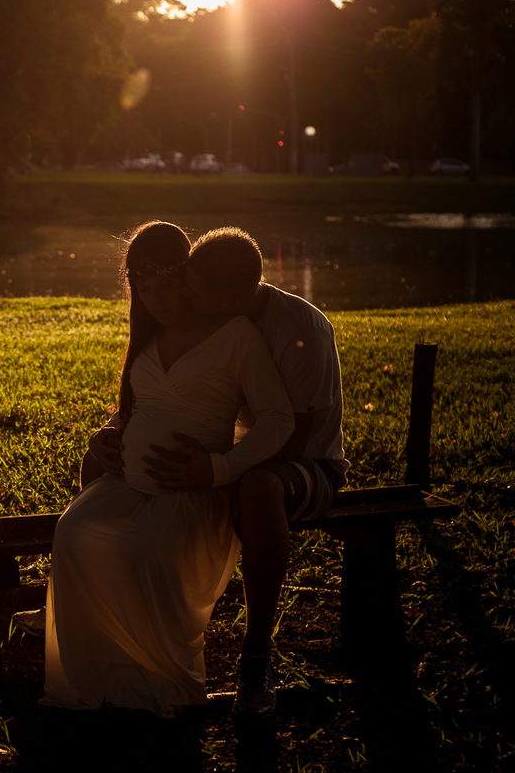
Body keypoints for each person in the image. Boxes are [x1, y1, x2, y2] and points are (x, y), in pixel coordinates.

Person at [38, 221, 295, 718]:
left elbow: (278, 419)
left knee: (147, 546)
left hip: (194, 491)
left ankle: (158, 681)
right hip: (128, 484)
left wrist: (218, 468)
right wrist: (107, 433)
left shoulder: (235, 335)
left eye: (166, 285)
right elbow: (143, 406)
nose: (155, 299)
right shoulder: (149, 335)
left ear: (189, 278)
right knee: (74, 531)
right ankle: (94, 678)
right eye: (144, 288)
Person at [138, 227, 349, 717]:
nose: (184, 294)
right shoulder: (217, 316)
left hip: (308, 466)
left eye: (192, 289)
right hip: (232, 454)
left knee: (258, 486)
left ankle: (256, 657)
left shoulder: (301, 328)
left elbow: (294, 437)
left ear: (232, 297)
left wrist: (216, 470)